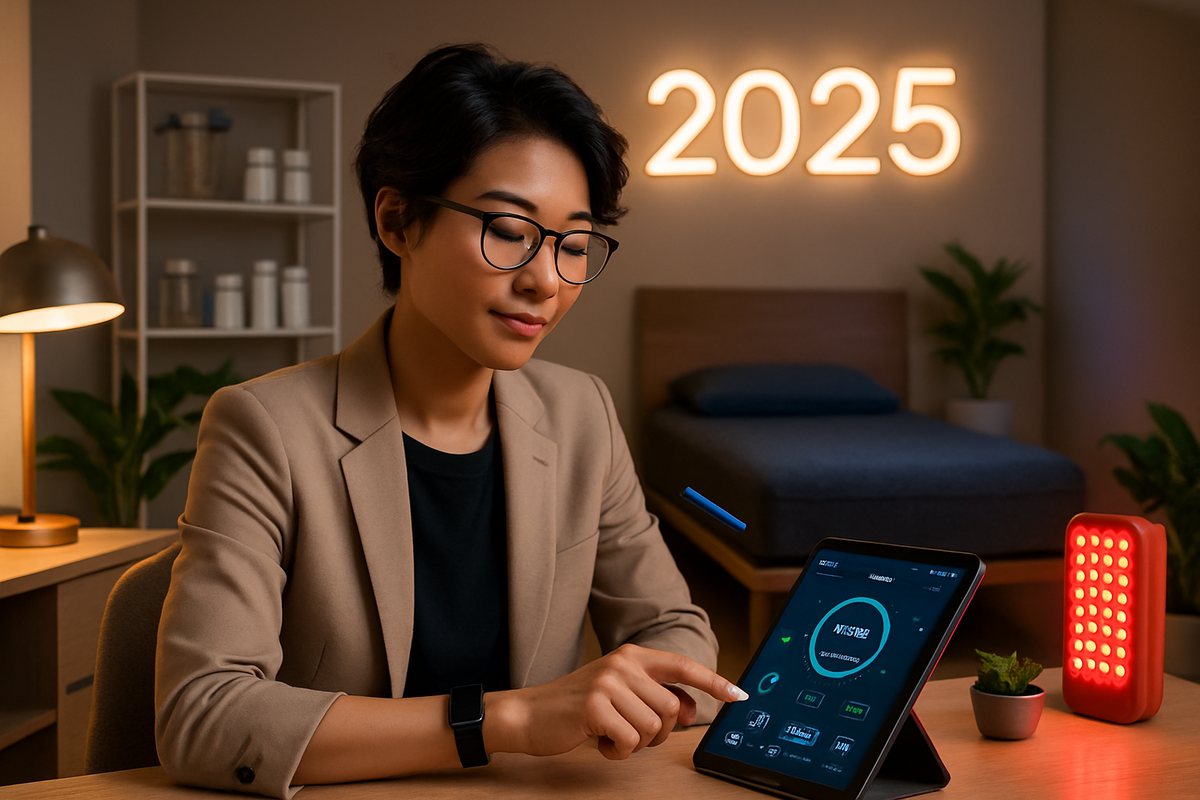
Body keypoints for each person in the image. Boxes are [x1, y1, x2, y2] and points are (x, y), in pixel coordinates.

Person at [154, 43, 747, 799]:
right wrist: (504, 721)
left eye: (573, 243)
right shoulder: (263, 427)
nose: (543, 280)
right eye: (508, 230)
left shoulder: (582, 415)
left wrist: (636, 691)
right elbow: (200, 718)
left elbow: (678, 634)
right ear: (399, 220)